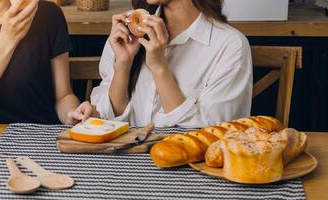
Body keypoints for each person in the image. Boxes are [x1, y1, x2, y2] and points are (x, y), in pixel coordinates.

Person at [91, 0, 252, 128]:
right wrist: (123, 64)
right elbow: (107, 121)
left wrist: (160, 68)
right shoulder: (128, 34)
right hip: (123, 164)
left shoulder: (230, 45)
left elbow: (213, 137)